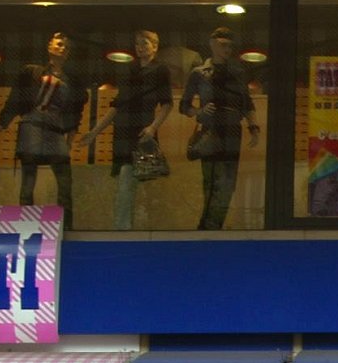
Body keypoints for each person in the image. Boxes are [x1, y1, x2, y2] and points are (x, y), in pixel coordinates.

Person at [0, 31, 87, 220]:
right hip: (33, 127)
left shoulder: (72, 81)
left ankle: (66, 225)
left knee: (64, 182)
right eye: (59, 44)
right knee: (28, 181)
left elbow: (75, 112)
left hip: (55, 130)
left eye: (66, 47)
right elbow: (14, 99)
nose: (62, 49)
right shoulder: (32, 72)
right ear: (49, 46)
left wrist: (70, 140)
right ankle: (26, 223)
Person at [95, 29, 173, 231]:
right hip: (124, 129)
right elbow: (118, 104)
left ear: (155, 46)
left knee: (135, 180)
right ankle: (124, 227)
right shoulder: (130, 70)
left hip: (142, 130)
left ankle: (125, 228)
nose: (140, 47)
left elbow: (167, 103)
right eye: (137, 44)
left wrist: (153, 127)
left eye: (144, 43)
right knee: (126, 179)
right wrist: (96, 131)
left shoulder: (160, 70)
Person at [181, 27, 259, 230]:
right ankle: (208, 227)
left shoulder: (237, 72)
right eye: (223, 45)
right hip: (211, 127)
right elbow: (184, 105)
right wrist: (198, 111)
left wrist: (253, 126)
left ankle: (213, 226)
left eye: (230, 46)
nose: (227, 49)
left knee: (227, 182)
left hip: (231, 129)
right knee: (212, 182)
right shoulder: (199, 73)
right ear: (212, 45)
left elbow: (246, 101)